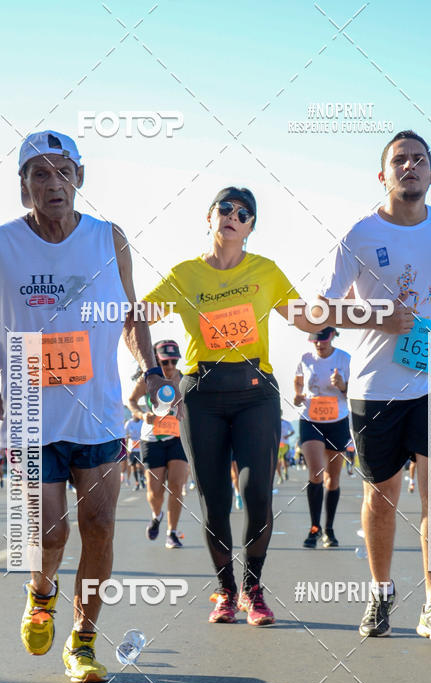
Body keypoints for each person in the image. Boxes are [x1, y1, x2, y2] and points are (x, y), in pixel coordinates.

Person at [0, 130, 163, 683]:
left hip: (96, 410)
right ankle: (41, 590)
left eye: (63, 171)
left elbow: (132, 315)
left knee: (99, 527)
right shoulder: (0, 243)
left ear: (80, 177)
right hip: (31, 413)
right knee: (48, 535)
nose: (53, 183)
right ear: (23, 186)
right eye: (39, 174)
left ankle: (81, 640)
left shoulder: (109, 238)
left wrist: (148, 369)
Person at [318, 130, 431, 643]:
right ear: (383, 175)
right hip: (375, 383)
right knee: (383, 495)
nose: (409, 166)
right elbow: (321, 310)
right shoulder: (360, 235)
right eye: (399, 160)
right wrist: (376, 314)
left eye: (419, 159)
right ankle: (381, 591)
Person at [139, 186, 317, 625]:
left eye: (243, 213)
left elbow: (307, 318)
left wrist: (355, 305)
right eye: (225, 209)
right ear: (209, 218)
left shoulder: (267, 271)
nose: (233, 216)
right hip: (203, 394)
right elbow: (139, 315)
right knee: (214, 499)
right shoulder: (185, 275)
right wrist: (152, 371)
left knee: (256, 493)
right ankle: (225, 590)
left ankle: (252, 589)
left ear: (251, 227)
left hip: (256, 391)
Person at [294, 326, 351, 548]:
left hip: (337, 421)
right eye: (315, 340)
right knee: (316, 471)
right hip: (311, 420)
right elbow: (298, 382)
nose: (319, 344)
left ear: (333, 337)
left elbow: (354, 392)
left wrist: (342, 386)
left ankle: (329, 529)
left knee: (332, 479)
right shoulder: (305, 358)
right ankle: (314, 528)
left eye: (323, 340)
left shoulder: (344, 358)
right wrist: (298, 396)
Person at [129, 339, 189, 549]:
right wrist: (140, 414)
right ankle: (157, 515)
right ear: (157, 361)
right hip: (152, 439)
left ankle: (172, 533)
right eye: (165, 362)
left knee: (176, 485)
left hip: (177, 438)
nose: (171, 366)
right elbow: (131, 400)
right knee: (155, 491)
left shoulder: (183, 379)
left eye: (174, 361)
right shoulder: (148, 380)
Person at [124, 407, 145, 489]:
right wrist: (128, 436)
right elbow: (124, 434)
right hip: (132, 448)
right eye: (133, 414)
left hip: (140, 447)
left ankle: (142, 479)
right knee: (133, 466)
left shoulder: (142, 422)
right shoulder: (129, 423)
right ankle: (137, 483)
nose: (135, 415)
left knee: (140, 465)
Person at [276, 414, 294, 483]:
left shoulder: (286, 423)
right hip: (276, 445)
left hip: (284, 444)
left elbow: (292, 431)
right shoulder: (272, 422)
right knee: (277, 462)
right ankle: (280, 477)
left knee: (284, 460)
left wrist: (287, 436)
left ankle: (285, 472)